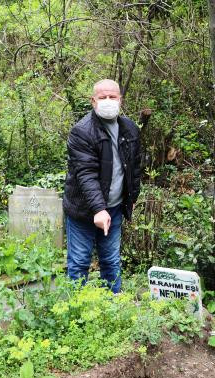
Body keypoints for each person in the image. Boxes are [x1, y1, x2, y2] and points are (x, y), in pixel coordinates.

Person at [63, 79, 141, 293]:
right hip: (83, 211)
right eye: (102, 97)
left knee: (111, 262)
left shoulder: (130, 129)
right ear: (93, 101)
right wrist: (98, 209)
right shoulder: (82, 132)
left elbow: (134, 167)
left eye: (112, 97)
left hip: (114, 208)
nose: (108, 101)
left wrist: (131, 198)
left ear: (120, 99)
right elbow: (85, 174)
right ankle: (76, 313)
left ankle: (114, 309)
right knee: (79, 263)